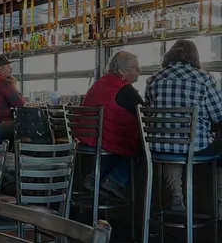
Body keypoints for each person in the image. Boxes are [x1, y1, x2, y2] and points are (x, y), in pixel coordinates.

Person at [145, 39, 222, 213]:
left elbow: (150, 114)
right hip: (196, 147)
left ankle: (176, 196)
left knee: (172, 146)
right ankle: (218, 209)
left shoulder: (153, 79)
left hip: (159, 147)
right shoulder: (204, 78)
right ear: (194, 57)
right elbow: (218, 114)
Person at [77, 51, 143, 199]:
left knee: (119, 145)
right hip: (104, 139)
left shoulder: (100, 82)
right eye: (136, 68)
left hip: (90, 137)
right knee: (142, 148)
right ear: (122, 71)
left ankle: (95, 178)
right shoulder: (125, 89)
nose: (139, 72)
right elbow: (144, 113)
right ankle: (115, 181)